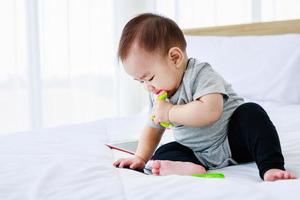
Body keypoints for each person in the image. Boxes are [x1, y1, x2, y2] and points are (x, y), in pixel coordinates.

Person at [113, 13, 296, 181]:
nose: (148, 87)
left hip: (234, 142)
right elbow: (152, 128)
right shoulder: (159, 94)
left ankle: (270, 167)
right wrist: (140, 157)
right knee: (163, 152)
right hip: (198, 153)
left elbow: (210, 111)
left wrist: (170, 112)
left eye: (150, 78)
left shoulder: (200, 74)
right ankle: (192, 167)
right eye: (141, 82)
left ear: (175, 57)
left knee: (252, 113)